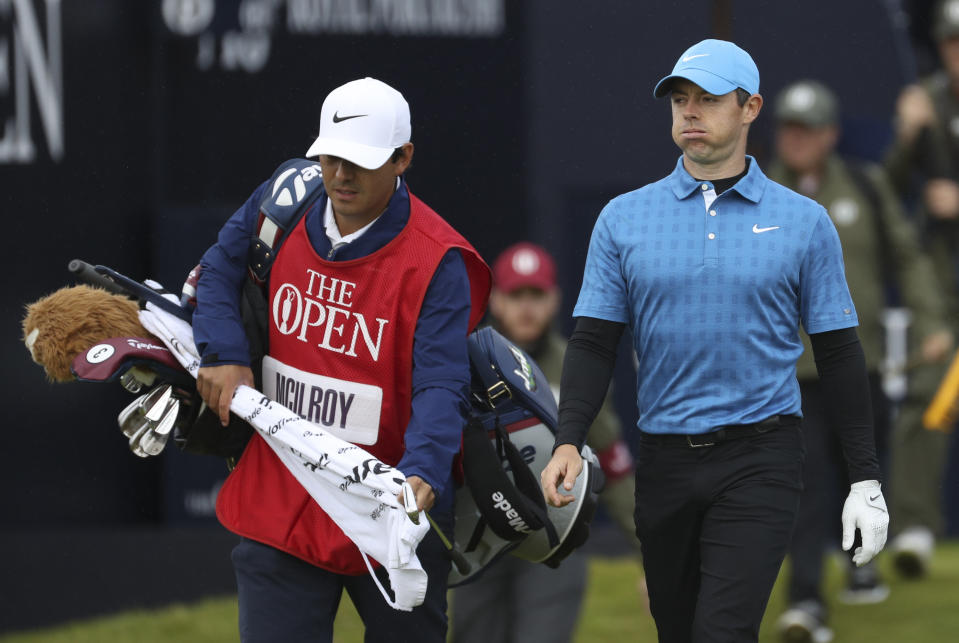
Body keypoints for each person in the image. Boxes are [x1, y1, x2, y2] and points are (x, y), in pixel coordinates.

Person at [539, 39, 890, 643]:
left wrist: (864, 478)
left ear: (750, 107)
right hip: (666, 458)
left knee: (723, 632)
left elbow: (838, 352)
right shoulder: (623, 219)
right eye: (680, 99)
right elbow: (595, 342)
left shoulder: (804, 220)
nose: (689, 112)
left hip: (762, 457)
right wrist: (569, 437)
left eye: (707, 98)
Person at [191, 77, 491, 642]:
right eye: (330, 157)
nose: (340, 175)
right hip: (283, 488)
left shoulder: (438, 259)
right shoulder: (284, 195)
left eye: (360, 161)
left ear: (403, 158)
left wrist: (424, 470)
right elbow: (218, 268)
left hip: (392, 500)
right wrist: (225, 352)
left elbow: (441, 380)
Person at [768, 79, 952, 642]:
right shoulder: (754, 193)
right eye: (789, 129)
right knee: (805, 481)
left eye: (808, 129)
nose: (797, 140)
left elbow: (909, 257)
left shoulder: (867, 189)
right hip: (789, 372)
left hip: (860, 362)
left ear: (830, 134)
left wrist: (931, 321)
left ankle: (859, 562)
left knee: (859, 474)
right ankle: (805, 603)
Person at [451, 242, 641, 643]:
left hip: (552, 534)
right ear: (495, 299)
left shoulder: (579, 368)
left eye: (535, 295)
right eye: (515, 294)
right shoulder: (459, 362)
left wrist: (648, 557)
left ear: (554, 299)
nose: (526, 307)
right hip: (478, 533)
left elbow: (613, 461)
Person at [883, 0, 959, 577]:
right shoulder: (927, 100)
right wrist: (908, 136)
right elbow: (889, 190)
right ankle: (912, 526)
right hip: (941, 281)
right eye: (951, 43)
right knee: (930, 394)